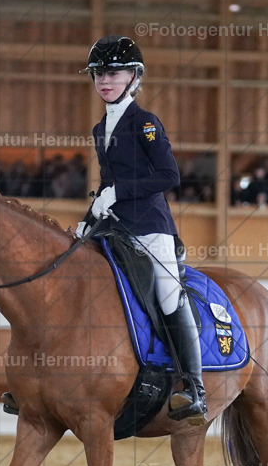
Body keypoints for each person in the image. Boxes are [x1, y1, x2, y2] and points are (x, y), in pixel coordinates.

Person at [76, 35, 206, 424]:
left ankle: (192, 387)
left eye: (112, 73)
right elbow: (107, 182)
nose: (104, 80)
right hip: (112, 228)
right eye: (99, 74)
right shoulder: (101, 129)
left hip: (151, 227)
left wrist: (118, 193)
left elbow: (170, 175)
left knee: (168, 294)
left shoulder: (146, 123)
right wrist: (89, 215)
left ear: (133, 77)